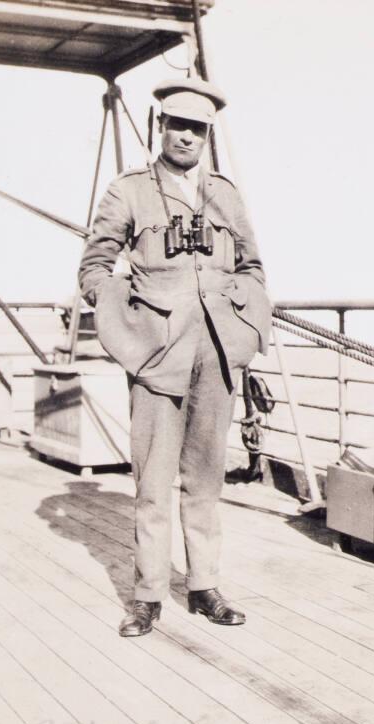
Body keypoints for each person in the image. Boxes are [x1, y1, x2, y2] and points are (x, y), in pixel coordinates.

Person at [79, 77, 272, 636]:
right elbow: (95, 267)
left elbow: (252, 267)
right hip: (158, 355)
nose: (185, 136)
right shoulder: (129, 191)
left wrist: (247, 324)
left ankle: (205, 585)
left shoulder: (225, 194)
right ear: (159, 126)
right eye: (176, 125)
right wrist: (127, 327)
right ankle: (147, 596)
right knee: (153, 479)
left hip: (216, 352)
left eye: (197, 128)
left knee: (206, 478)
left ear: (208, 134)